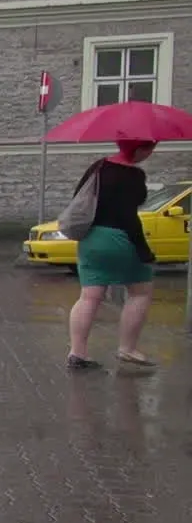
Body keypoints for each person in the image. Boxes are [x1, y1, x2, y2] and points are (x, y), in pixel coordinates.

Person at [67, 139, 158, 370]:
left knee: (89, 296)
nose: (149, 154)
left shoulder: (98, 167)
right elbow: (129, 218)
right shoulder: (133, 175)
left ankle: (77, 353)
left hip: (90, 238)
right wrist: (143, 250)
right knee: (140, 291)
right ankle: (127, 349)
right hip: (118, 238)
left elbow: (79, 197)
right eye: (149, 149)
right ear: (139, 149)